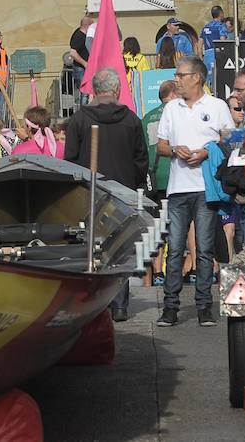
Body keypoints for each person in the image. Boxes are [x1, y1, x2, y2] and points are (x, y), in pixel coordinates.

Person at [64, 69, 148, 320]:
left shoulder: (79, 119)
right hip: (123, 192)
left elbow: (69, 160)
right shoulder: (131, 120)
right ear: (117, 90)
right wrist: (133, 184)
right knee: (120, 248)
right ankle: (120, 305)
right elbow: (141, 159)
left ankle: (95, 306)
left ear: (94, 91)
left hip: (91, 192)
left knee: (92, 248)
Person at [154, 56, 232, 328]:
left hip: (205, 188)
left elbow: (228, 144)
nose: (177, 79)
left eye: (181, 75)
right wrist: (175, 150)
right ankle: (170, 308)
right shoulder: (171, 108)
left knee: (204, 248)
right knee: (174, 249)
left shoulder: (217, 106)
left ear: (197, 77)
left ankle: (204, 307)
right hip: (178, 189)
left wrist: (206, 152)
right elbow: (160, 146)